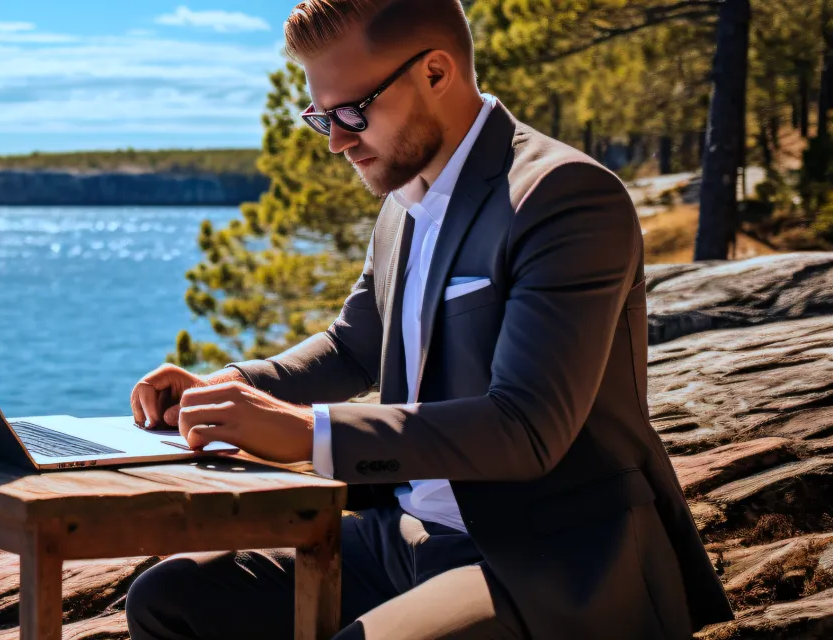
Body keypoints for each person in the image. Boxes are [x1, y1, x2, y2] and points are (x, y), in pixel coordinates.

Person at [122, 0, 732, 638]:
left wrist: (307, 433)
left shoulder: (564, 197)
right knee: (169, 599)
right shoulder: (405, 199)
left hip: (542, 559)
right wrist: (231, 389)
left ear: (436, 73)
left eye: (352, 111)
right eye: (320, 116)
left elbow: (527, 428)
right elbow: (354, 348)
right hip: (405, 536)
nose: (336, 140)